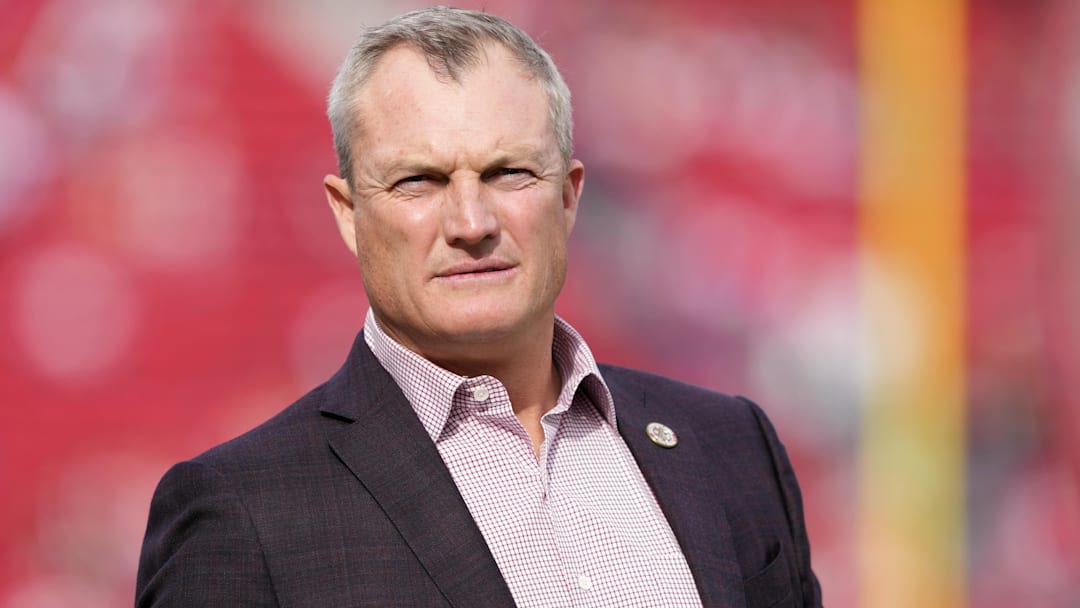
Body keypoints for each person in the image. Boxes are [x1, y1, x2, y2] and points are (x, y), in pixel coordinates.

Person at [135, 7, 822, 607]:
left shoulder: (731, 449)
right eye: (419, 181)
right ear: (347, 214)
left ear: (569, 195)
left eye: (508, 173)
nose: (471, 222)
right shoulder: (244, 511)